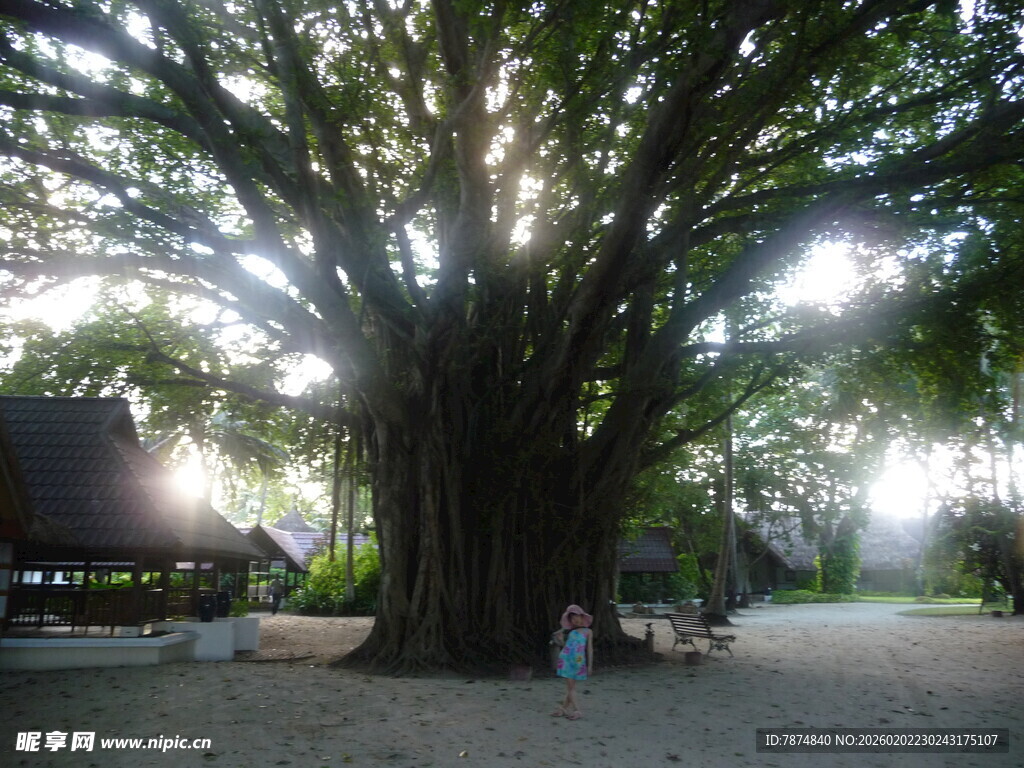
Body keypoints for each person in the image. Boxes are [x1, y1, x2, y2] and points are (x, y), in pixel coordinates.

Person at [551, 604, 594, 721]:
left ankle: (564, 709)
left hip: (578, 662)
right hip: (566, 660)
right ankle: (576, 710)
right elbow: (567, 647)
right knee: (571, 688)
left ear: (582, 616)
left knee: (571, 688)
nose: (575, 619)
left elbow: (589, 649)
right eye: (572, 618)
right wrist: (560, 641)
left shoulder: (588, 631)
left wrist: (590, 665)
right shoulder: (570, 633)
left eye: (577, 616)